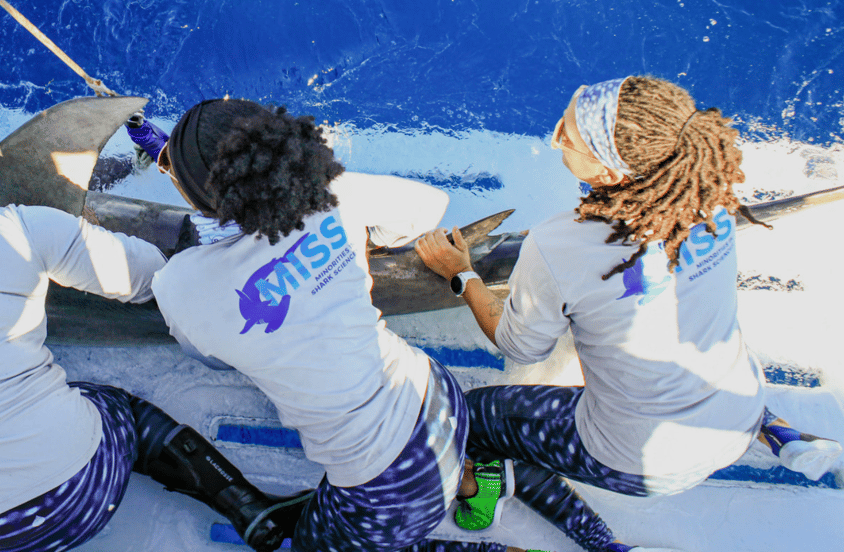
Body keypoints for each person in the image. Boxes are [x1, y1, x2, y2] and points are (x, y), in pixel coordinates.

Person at [0, 74, 302, 552]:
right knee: (118, 408)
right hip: (88, 492)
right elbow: (148, 276)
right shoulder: (20, 229)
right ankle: (246, 505)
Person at [415, 76, 844, 552]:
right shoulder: (710, 197)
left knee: (471, 417)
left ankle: (508, 502)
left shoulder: (561, 243)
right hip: (737, 411)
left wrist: (462, 274)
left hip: (641, 463)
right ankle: (784, 435)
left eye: (569, 136)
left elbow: (519, 344)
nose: (555, 135)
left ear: (612, 171)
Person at [149, 97, 576, 552]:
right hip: (436, 396)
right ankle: (473, 481)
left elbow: (208, 357)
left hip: (390, 484)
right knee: (428, 465)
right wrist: (356, 244)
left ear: (200, 197)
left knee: (317, 543)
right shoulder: (330, 192)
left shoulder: (180, 283)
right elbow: (432, 204)